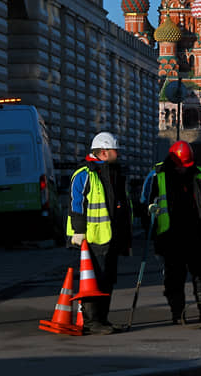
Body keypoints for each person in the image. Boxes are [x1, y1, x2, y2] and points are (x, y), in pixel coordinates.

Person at [149, 141, 201, 324]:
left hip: (196, 232)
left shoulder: (198, 174)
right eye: (180, 166)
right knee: (174, 277)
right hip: (170, 235)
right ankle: (178, 313)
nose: (183, 169)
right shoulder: (158, 175)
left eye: (185, 166)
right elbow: (147, 200)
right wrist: (150, 213)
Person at [67, 132, 132, 335]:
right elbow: (76, 203)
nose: (118, 154)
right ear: (103, 152)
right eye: (115, 150)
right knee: (93, 281)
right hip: (92, 239)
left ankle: (102, 319)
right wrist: (79, 231)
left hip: (110, 237)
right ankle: (91, 321)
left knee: (108, 279)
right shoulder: (84, 173)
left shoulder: (114, 173)